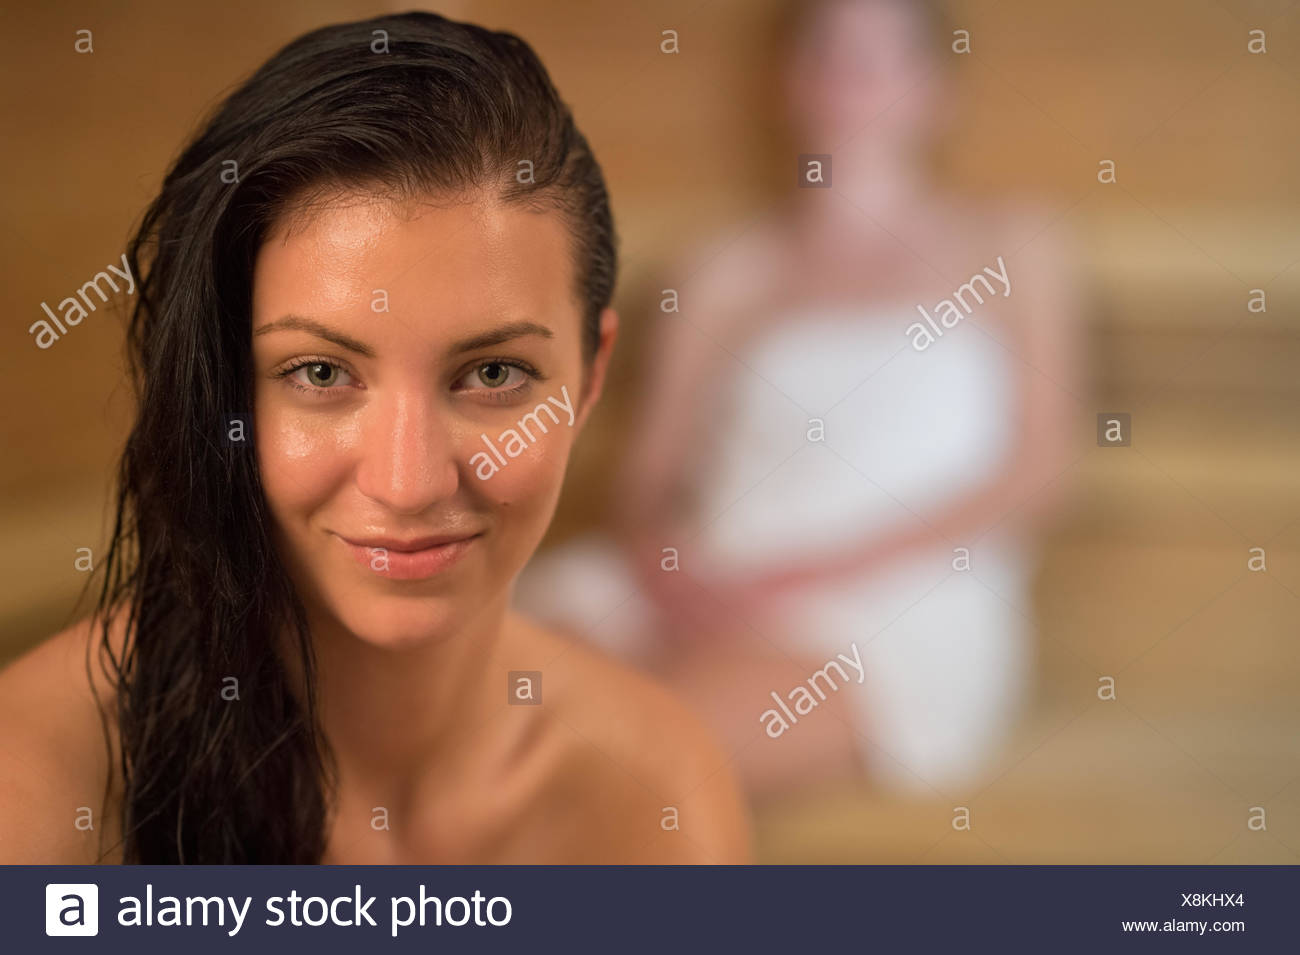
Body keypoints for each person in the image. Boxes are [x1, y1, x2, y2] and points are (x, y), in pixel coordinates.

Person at [0, 11, 749, 864]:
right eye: (320, 373)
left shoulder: (657, 797)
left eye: (495, 373)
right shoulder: (34, 799)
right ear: (220, 385)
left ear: (592, 377)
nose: (409, 482)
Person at [515, 0, 1083, 798]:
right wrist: (669, 565)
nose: (851, 73)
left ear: (934, 88)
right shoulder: (723, 271)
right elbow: (651, 471)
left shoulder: (1012, 246)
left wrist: (796, 579)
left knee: (627, 763)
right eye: (827, 50)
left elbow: (1039, 471)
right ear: (788, 83)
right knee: (471, 695)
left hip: (894, 606)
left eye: (882, 54)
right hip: (712, 571)